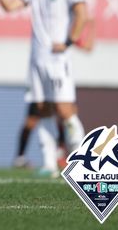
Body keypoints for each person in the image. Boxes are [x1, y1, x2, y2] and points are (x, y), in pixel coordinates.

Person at [0, 0, 87, 177]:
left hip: (57, 60)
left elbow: (82, 13)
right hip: (37, 61)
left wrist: (69, 41)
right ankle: (50, 163)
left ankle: (83, 160)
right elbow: (10, 6)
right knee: (43, 109)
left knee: (64, 110)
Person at [13, 18, 95, 169]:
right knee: (32, 119)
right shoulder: (43, 28)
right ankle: (22, 157)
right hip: (40, 78)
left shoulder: (66, 33)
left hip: (59, 77)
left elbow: (87, 47)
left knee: (65, 114)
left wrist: (91, 26)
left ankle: (70, 155)